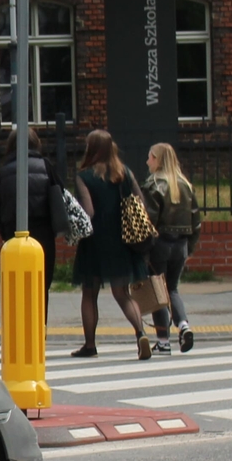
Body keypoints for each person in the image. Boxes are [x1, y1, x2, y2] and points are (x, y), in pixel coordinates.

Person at [70, 129, 152, 360]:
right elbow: (140, 203)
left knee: (89, 293)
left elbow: (89, 211)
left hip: (95, 242)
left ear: (91, 148)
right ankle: (140, 333)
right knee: (122, 293)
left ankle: (90, 345)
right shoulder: (124, 172)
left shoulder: (83, 176)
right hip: (122, 239)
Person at [143, 142, 203, 355]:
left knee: (158, 290)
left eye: (150, 157)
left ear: (157, 160)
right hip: (181, 245)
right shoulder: (185, 185)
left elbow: (148, 221)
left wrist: (143, 249)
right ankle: (184, 325)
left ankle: (163, 341)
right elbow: (196, 221)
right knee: (173, 288)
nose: (147, 161)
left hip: (160, 245)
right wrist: (190, 247)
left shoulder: (153, 185)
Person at [0, 127, 65, 252]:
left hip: (13, 231)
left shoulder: (4, 172)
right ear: (36, 144)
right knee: (43, 269)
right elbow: (60, 194)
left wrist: (5, 233)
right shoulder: (45, 165)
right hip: (43, 231)